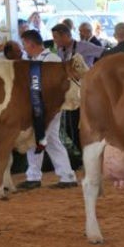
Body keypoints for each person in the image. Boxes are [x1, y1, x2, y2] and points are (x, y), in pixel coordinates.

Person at [16, 29, 78, 190]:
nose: (24, 48)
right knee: (49, 141)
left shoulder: (51, 59)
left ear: (31, 43)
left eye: (24, 44)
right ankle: (67, 176)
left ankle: (34, 177)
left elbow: (57, 85)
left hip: (49, 107)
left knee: (36, 139)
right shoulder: (35, 59)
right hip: (39, 106)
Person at [52, 23, 104, 152]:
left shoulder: (84, 46)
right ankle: (82, 152)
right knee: (69, 127)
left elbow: (104, 53)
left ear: (65, 36)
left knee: (81, 124)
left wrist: (95, 72)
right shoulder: (60, 50)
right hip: (70, 93)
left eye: (56, 37)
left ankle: (88, 153)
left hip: (86, 92)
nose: (54, 41)